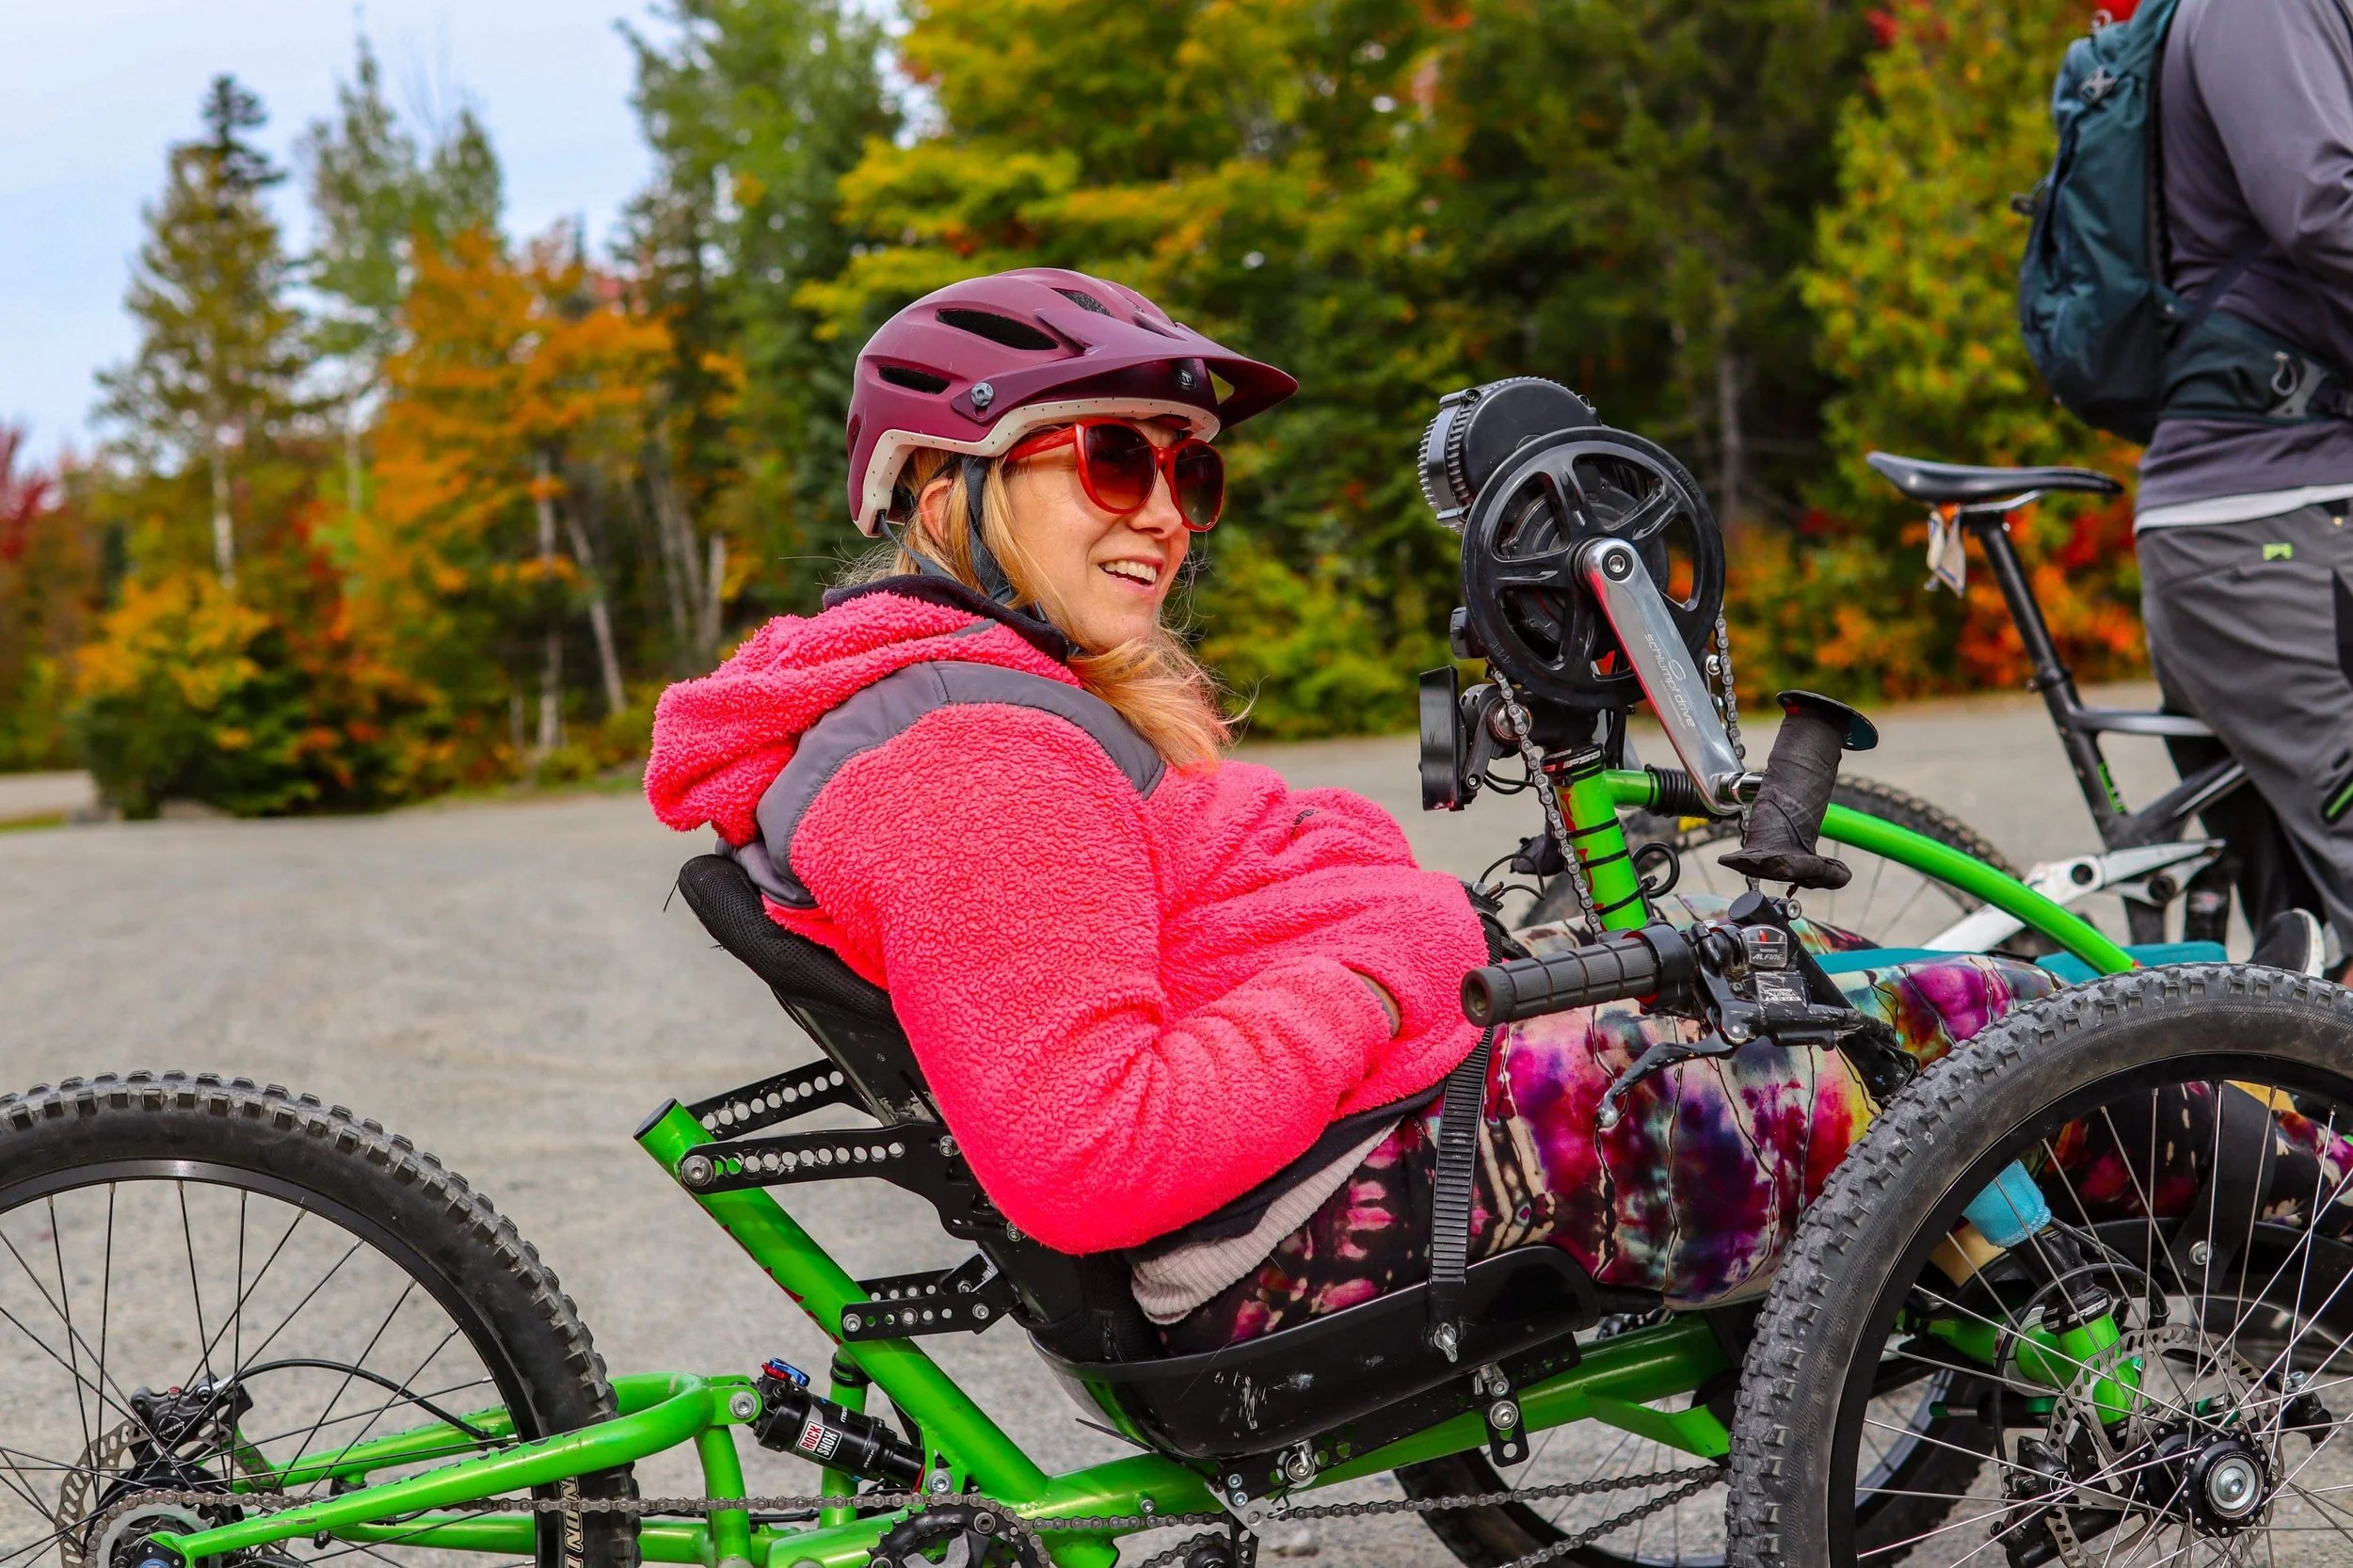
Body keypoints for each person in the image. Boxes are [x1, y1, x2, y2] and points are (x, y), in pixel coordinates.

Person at [644, 267, 2314, 1349]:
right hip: (1350, 1211)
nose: (1168, 514)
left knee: (1922, 1011)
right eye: (1111, 460)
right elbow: (1095, 1153)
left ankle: (2284, 1201)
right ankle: (2322, 1241)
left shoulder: (970, 701)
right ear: (945, 485)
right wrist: (1392, 959)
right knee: (1992, 1031)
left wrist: (1370, 927)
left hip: (1382, 1143)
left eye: (1190, 471)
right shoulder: (966, 761)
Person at [2136, 0, 2353, 968]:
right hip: (2262, 525)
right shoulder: (2260, 6)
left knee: (2302, 939)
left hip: (2289, 503)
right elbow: (2321, 205)